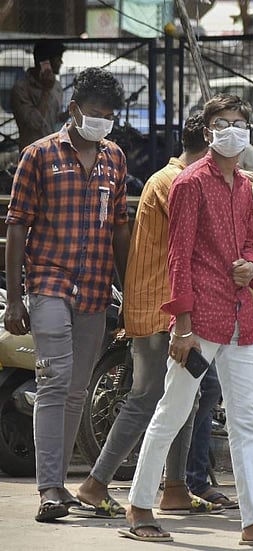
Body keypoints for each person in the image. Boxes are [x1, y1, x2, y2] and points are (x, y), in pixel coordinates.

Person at [123, 94, 253, 547]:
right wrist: (182, 327)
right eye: (222, 123)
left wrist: (252, 269)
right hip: (199, 321)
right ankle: (140, 506)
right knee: (173, 411)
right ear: (207, 132)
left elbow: (248, 245)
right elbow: (178, 257)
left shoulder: (244, 185)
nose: (232, 130)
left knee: (245, 421)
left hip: (240, 317)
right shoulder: (189, 183)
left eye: (239, 123)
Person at [74, 114, 223, 518]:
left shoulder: (171, 179)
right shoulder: (178, 182)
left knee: (186, 397)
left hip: (164, 303)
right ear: (209, 143)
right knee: (148, 397)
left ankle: (175, 488)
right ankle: (95, 484)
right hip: (163, 306)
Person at [4, 67, 130, 523]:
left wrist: (129, 290)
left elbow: (120, 227)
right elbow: (17, 225)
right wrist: (15, 298)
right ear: (74, 109)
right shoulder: (38, 155)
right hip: (48, 284)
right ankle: (50, 488)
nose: (103, 121)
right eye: (96, 113)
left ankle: (60, 483)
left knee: (77, 390)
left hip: (95, 288)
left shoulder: (114, 158)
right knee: (55, 382)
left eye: (109, 115)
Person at [10, 39, 67, 151]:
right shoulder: (21, 88)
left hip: (52, 149)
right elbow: (34, 124)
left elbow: (53, 119)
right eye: (58, 59)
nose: (61, 62)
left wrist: (68, 114)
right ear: (45, 62)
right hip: (31, 151)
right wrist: (46, 91)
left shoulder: (56, 86)